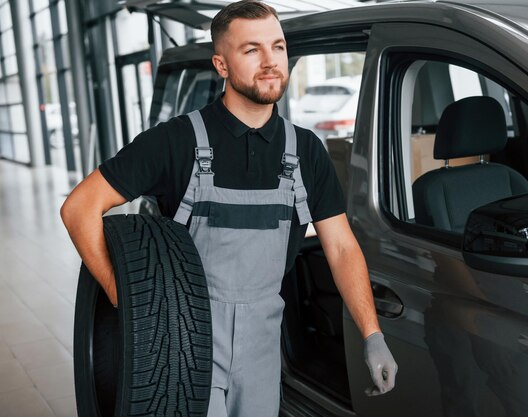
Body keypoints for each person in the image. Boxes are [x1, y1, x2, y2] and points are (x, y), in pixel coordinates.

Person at [60, 1, 397, 415]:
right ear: (221, 65)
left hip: (263, 344)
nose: (270, 61)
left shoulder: (305, 150)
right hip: (187, 341)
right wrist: (126, 297)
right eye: (252, 50)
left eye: (278, 47)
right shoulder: (176, 141)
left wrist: (372, 334)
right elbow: (79, 208)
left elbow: (342, 247)